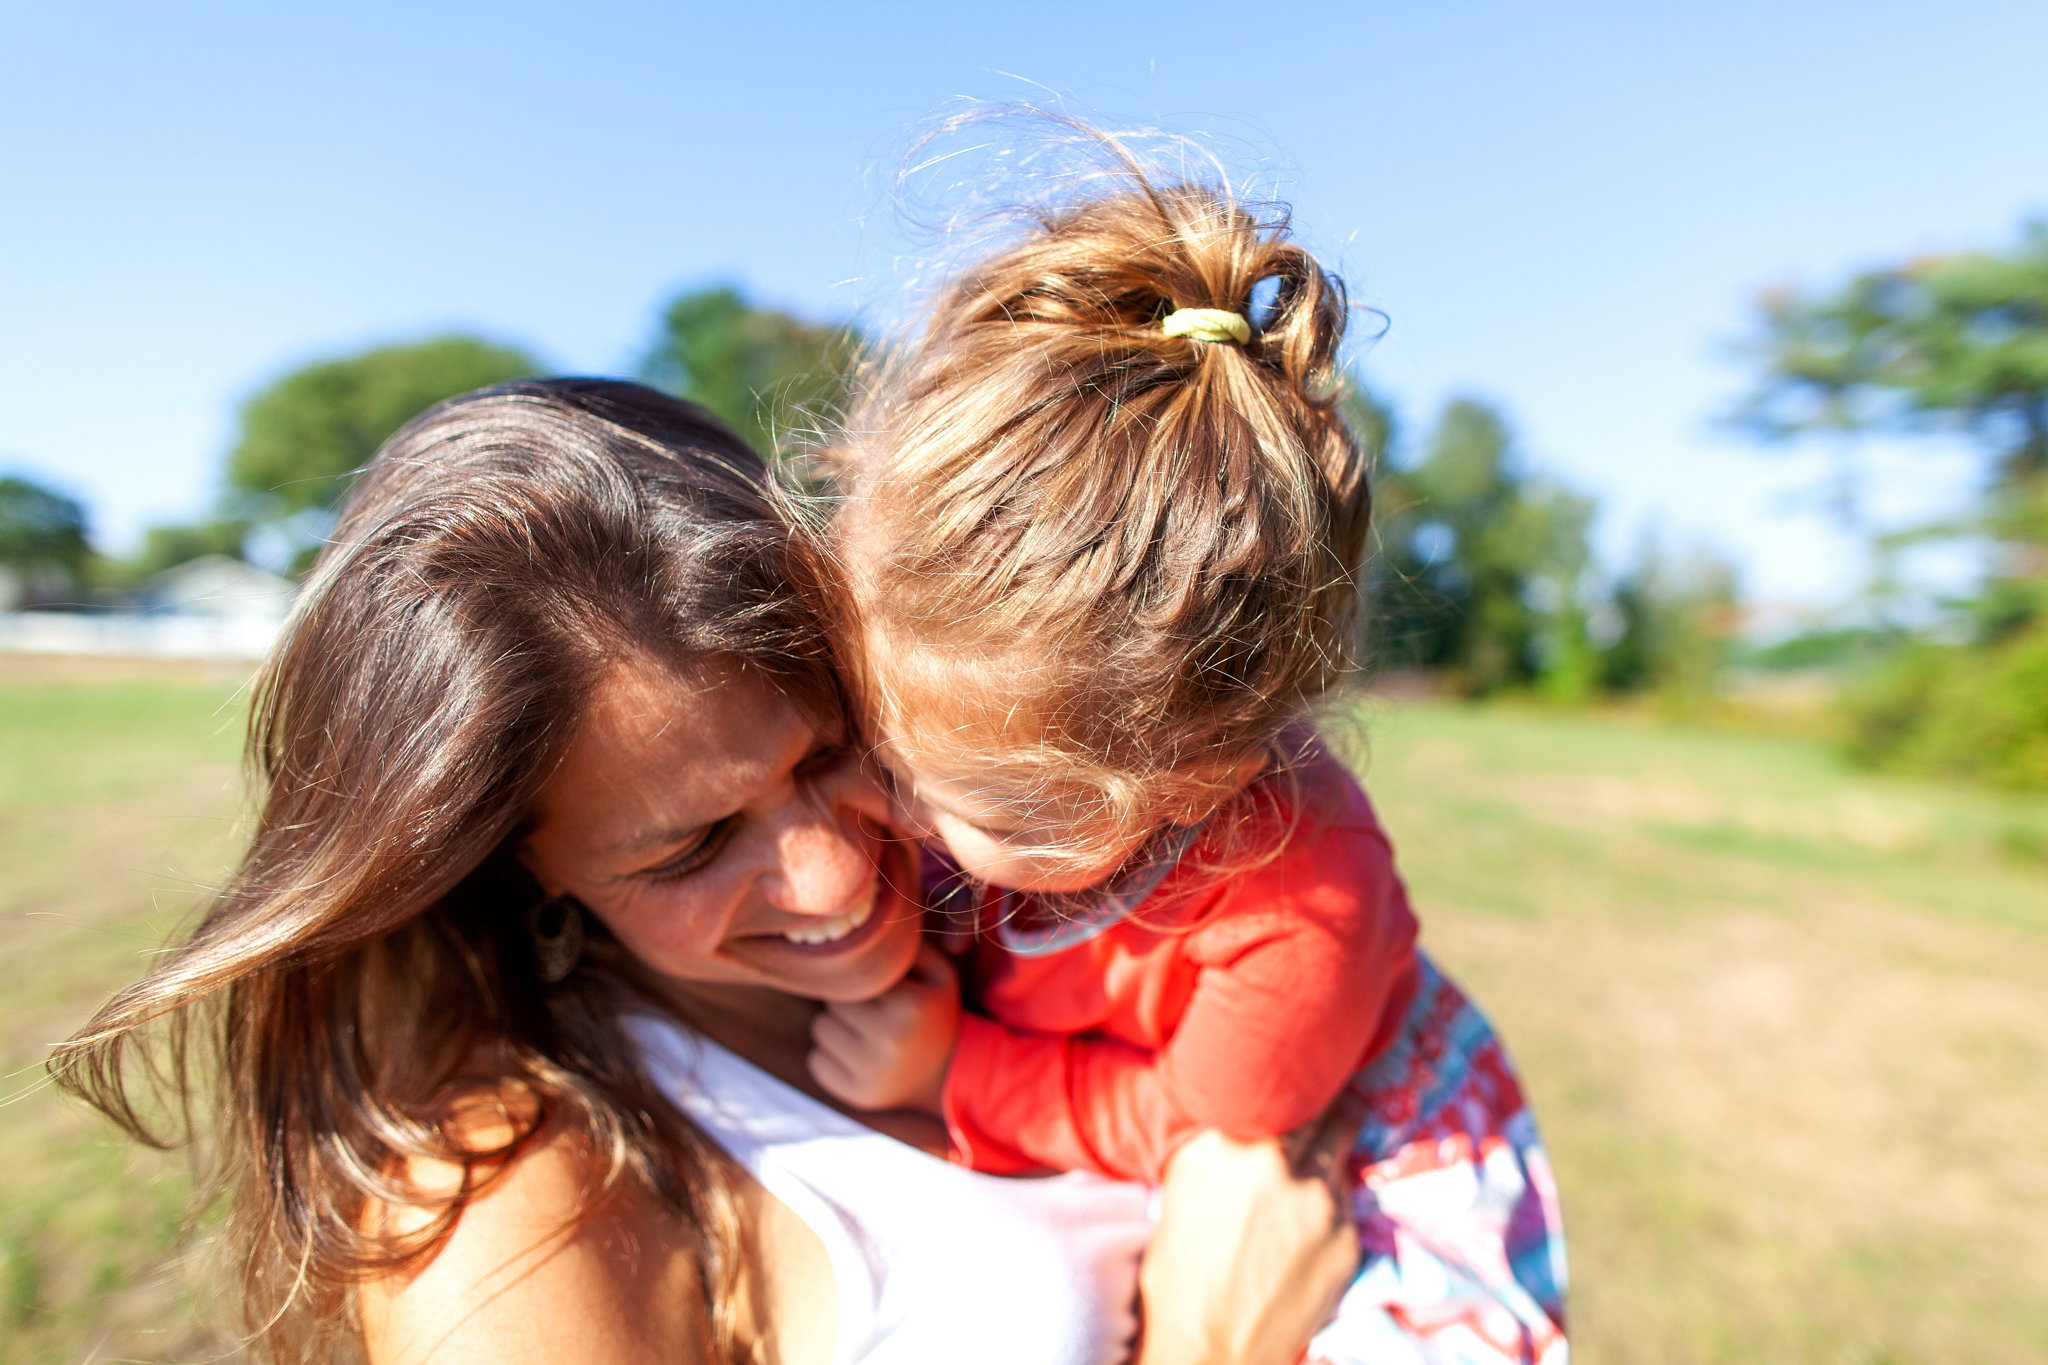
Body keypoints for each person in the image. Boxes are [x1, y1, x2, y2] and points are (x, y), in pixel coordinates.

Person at [51, 379, 1361, 1365]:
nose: (838, 871)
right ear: (519, 863)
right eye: (690, 845)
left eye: (844, 747)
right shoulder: (513, 1204)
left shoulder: (1009, 916)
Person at [812, 131, 1570, 1364]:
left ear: (1191, 782)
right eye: (880, 752)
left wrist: (957, 1068)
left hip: (1349, 1193)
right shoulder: (995, 728)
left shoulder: (1295, 918)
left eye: (991, 812)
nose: (897, 820)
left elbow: (1209, 1133)